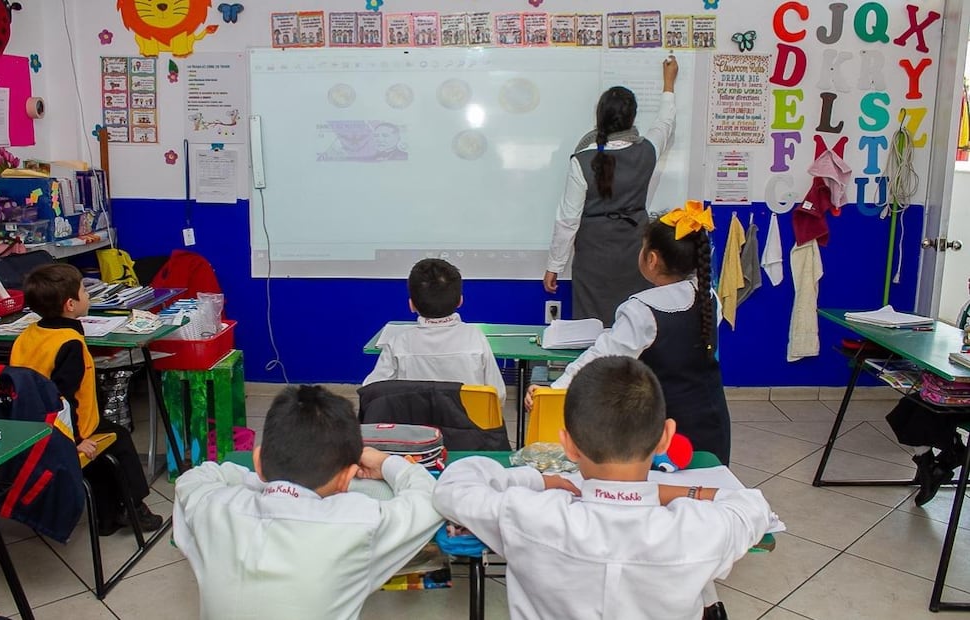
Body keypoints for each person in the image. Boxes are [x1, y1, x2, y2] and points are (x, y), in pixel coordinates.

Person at [435, 356, 772, 620]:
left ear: (567, 444)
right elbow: (752, 506)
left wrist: (537, 479)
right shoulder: (698, 531)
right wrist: (674, 493)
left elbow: (454, 485)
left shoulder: (528, 514)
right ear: (665, 438)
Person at [173, 385, 443, 619]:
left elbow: (197, 477)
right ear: (346, 478)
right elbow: (428, 497)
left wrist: (265, 481)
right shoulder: (359, 522)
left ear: (258, 460)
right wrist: (385, 463)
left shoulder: (213, 508)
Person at [529, 201, 731, 464]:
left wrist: (553, 390)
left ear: (652, 259)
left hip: (663, 428)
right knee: (702, 489)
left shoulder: (642, 309)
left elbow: (600, 359)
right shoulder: (709, 296)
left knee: (661, 496)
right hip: (712, 419)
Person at [9, 264, 163, 535]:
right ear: (70, 304)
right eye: (84, 291)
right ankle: (134, 507)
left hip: (33, 425)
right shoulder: (70, 344)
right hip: (67, 428)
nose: (88, 296)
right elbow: (63, 397)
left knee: (101, 456)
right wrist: (77, 439)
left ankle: (107, 519)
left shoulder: (27, 336)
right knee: (120, 442)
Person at [543, 57, 678, 327]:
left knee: (591, 329)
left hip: (593, 256)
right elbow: (665, 122)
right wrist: (668, 83)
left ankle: (596, 370)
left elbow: (567, 219)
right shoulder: (646, 151)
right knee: (634, 324)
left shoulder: (581, 159)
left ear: (599, 117)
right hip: (635, 251)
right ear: (632, 118)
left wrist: (554, 266)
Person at [363, 258, 506, 404]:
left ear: (411, 305)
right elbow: (497, 394)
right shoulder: (475, 337)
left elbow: (370, 391)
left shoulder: (399, 343)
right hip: (470, 425)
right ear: (460, 301)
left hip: (415, 425)